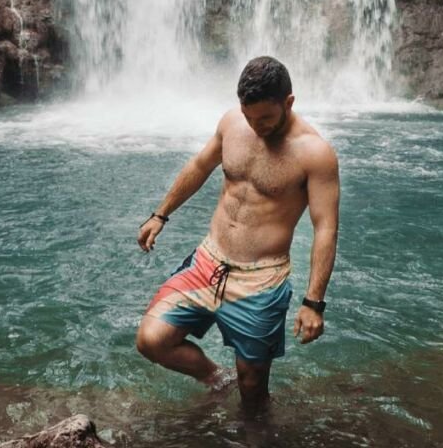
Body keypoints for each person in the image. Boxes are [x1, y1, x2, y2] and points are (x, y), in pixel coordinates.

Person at [134, 56, 340, 412]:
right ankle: (217, 379)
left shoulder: (314, 153)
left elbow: (325, 228)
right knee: (151, 340)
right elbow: (200, 165)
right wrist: (160, 214)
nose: (256, 125)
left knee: (253, 386)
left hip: (261, 280)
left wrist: (313, 303)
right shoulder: (233, 123)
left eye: (266, 118)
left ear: (288, 102)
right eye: (249, 116)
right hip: (207, 262)